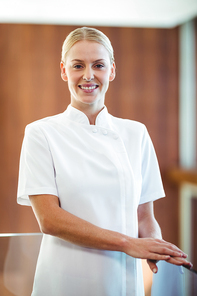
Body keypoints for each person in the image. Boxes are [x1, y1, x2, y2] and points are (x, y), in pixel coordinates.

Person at [17, 27, 192, 296]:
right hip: (65, 280)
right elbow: (49, 219)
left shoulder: (136, 133)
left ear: (111, 70)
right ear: (64, 71)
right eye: (78, 65)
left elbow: (145, 218)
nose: (88, 75)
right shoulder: (41, 133)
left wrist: (157, 247)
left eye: (98, 65)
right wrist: (127, 244)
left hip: (123, 281)